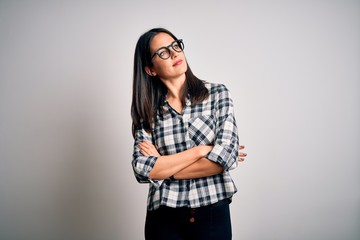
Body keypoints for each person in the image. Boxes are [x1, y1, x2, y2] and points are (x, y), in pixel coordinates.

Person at [131, 28, 246, 240]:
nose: (174, 53)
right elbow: (142, 169)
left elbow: (225, 158)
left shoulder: (218, 94)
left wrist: (163, 166)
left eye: (176, 46)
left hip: (212, 212)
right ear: (150, 69)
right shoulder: (147, 111)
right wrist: (202, 151)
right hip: (163, 218)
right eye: (163, 52)